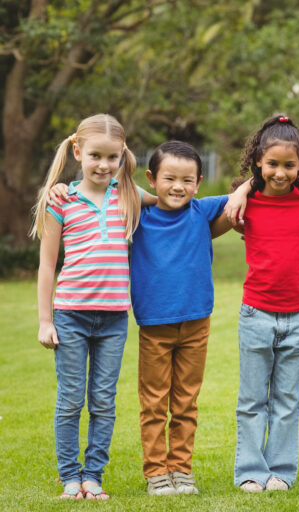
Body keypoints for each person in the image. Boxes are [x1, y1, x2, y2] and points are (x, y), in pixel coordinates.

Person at [33, 114, 143, 500]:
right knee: (70, 399)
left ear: (122, 156)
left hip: (114, 318)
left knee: (102, 400)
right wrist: (45, 320)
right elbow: (48, 264)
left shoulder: (127, 194)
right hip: (71, 316)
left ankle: (93, 476)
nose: (103, 164)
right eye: (95, 155)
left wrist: (242, 190)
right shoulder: (61, 200)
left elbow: (171, 197)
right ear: (78, 151)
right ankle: (70, 479)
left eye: (112, 157)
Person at [129, 141, 234, 496]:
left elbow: (242, 194)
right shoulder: (138, 214)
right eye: (169, 178)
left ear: (199, 182)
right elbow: (111, 184)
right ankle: (157, 472)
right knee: (155, 402)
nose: (178, 186)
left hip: (196, 324)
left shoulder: (202, 211)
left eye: (187, 180)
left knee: (186, 402)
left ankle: (181, 469)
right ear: (151, 179)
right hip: (154, 326)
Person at [225, 115, 299, 494]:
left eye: (289, 165)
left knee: (286, 400)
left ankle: (280, 471)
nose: (280, 173)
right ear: (259, 163)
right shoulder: (245, 203)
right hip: (256, 313)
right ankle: (250, 471)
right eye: (273, 165)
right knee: (252, 399)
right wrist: (242, 190)